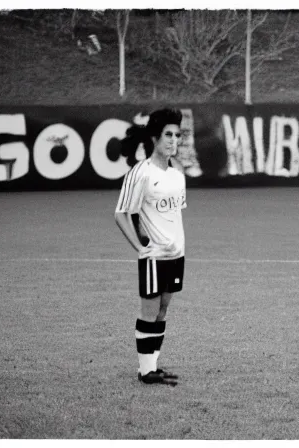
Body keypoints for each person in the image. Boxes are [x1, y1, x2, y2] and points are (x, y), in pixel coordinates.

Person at [114, 108, 187, 386]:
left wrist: (178, 245)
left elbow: (172, 215)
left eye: (177, 135)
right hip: (153, 256)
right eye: (168, 135)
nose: (173, 140)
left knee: (163, 310)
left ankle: (152, 366)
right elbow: (122, 213)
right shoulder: (141, 173)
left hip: (176, 254)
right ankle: (145, 372)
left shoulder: (177, 175)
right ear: (155, 138)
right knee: (149, 312)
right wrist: (139, 247)